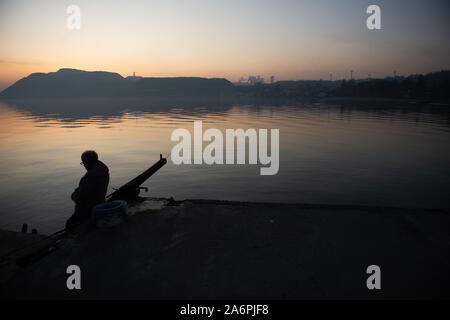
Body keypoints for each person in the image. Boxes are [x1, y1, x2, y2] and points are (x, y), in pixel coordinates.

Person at [65, 150, 110, 229]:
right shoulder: (103, 170)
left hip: (89, 209)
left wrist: (73, 195)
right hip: (100, 202)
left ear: (88, 162)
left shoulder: (90, 178)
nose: (84, 165)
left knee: (69, 224)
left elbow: (81, 199)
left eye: (83, 163)